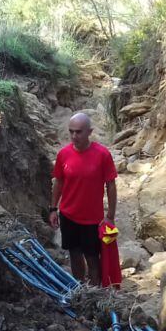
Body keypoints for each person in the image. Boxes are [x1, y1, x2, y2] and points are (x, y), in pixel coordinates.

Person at [48, 113, 117, 285]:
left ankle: (96, 293)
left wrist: (110, 216)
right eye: (71, 131)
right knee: (74, 253)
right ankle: (79, 289)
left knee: (93, 257)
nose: (73, 136)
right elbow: (59, 182)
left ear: (89, 132)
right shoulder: (63, 154)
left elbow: (111, 185)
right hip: (68, 215)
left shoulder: (102, 155)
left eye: (78, 132)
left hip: (93, 220)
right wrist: (53, 209)